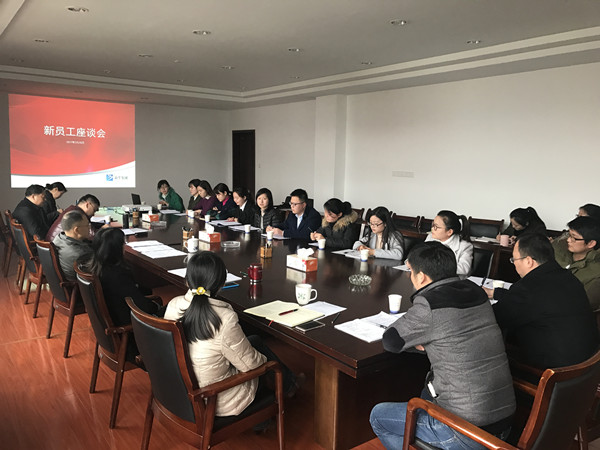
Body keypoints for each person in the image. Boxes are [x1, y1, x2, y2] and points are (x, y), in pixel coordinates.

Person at [370, 242, 515, 449]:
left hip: (467, 431)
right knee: (426, 392)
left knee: (378, 416)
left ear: (421, 276)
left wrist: (423, 342)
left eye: (411, 271)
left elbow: (391, 341)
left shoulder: (429, 303)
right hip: (504, 423)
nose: (410, 277)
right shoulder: (476, 292)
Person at [163, 251, 303, 417]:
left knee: (254, 341)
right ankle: (277, 401)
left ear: (187, 280)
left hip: (181, 390)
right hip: (213, 398)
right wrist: (266, 361)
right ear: (221, 284)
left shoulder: (174, 305)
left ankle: (289, 384)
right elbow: (250, 365)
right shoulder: (224, 318)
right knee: (267, 364)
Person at [483, 233, 598, 369]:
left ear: (528, 261)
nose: (514, 264)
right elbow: (539, 302)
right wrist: (496, 293)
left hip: (554, 373)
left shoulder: (527, 287)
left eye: (514, 260)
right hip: (587, 365)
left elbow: (494, 319)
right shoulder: (567, 277)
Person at [89, 228, 162, 328]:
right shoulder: (117, 276)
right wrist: (158, 307)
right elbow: (142, 306)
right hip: (131, 324)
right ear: (116, 249)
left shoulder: (95, 267)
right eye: (123, 243)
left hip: (114, 316)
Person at [552, 216, 600, 311]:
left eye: (574, 238)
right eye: (568, 235)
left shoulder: (596, 274)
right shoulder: (559, 249)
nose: (568, 240)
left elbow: (584, 304)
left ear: (591, 243)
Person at [425, 210, 473, 276]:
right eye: (432, 225)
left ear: (449, 232)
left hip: (452, 280)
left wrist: (436, 267)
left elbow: (464, 269)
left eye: (436, 227)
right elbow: (420, 255)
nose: (432, 229)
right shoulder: (430, 237)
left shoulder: (464, 246)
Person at [52, 210, 93, 281]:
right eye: (87, 225)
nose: (89, 228)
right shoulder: (81, 254)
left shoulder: (58, 238)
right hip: (78, 284)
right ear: (77, 230)